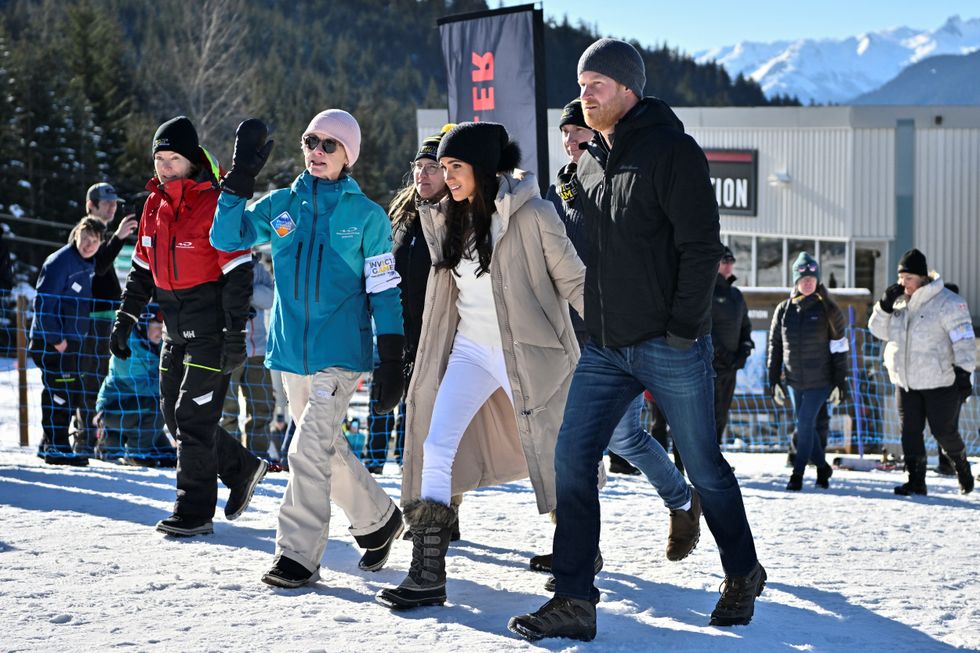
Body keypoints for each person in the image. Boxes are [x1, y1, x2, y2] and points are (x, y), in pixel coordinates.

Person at [509, 39, 764, 642]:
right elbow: (591, 244)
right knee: (572, 457)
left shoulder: (673, 152)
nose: (584, 92)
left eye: (596, 82)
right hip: (605, 345)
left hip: (668, 343)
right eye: (580, 81)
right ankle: (574, 597)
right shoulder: (590, 161)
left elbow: (702, 247)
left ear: (628, 89)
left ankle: (741, 572)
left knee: (702, 464)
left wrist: (681, 330)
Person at [376, 121, 589, 611]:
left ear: (484, 168)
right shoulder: (446, 218)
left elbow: (576, 283)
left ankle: (578, 551)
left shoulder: (534, 215)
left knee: (556, 453)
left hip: (529, 355)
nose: (446, 176)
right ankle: (428, 571)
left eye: (456, 167)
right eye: (442, 167)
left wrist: (618, 339)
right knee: (435, 443)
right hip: (470, 349)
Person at [210, 110, 405, 588]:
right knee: (322, 449)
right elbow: (225, 236)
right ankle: (379, 520)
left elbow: (383, 289)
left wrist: (392, 357)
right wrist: (237, 181)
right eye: (310, 141)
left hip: (340, 354)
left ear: (347, 157)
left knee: (305, 450)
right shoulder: (281, 206)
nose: (317, 151)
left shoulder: (366, 217)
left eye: (329, 145)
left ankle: (297, 555)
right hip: (290, 356)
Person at [536, 97, 698, 573]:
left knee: (621, 439)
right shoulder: (556, 192)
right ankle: (579, 545)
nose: (570, 142)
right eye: (565, 135)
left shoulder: (619, 184)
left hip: (616, 335)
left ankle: (683, 500)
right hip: (567, 334)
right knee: (570, 443)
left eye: (579, 134)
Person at [110, 116, 267, 537]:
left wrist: (235, 333)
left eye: (173, 158)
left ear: (192, 160)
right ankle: (241, 467)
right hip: (174, 328)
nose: (164, 166)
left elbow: (238, 272)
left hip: (212, 329)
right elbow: (142, 268)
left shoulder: (214, 204)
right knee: (173, 417)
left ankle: (194, 510)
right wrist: (125, 318)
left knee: (193, 419)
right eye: (159, 158)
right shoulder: (153, 205)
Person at [364, 125, 453, 474]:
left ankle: (410, 466)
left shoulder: (455, 218)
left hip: (435, 335)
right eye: (418, 166)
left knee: (419, 415)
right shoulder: (401, 216)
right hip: (394, 330)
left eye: (431, 167)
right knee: (383, 399)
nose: (422, 174)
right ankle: (373, 461)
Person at [868, 248, 975, 495]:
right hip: (905, 381)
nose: (903, 284)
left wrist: (964, 372)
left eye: (909, 278)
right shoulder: (897, 303)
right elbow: (878, 331)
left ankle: (961, 466)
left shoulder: (948, 302)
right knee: (909, 433)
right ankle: (916, 479)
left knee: (943, 431)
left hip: (940, 380)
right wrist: (883, 306)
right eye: (901, 278)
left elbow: (964, 339)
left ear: (923, 278)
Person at [767, 252, 848, 491]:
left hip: (820, 381)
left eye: (812, 278)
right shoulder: (784, 309)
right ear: (796, 281)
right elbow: (775, 346)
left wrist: (839, 383)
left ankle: (797, 474)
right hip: (794, 381)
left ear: (818, 280)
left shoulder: (829, 310)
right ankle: (823, 467)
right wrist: (774, 380)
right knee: (807, 427)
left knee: (803, 424)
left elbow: (840, 349)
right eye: (803, 279)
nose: (808, 283)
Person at [28, 217, 104, 465]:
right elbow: (44, 303)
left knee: (68, 392)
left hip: (72, 341)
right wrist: (56, 338)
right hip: (54, 342)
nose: (89, 244)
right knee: (60, 394)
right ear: (76, 234)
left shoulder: (87, 263)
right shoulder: (60, 262)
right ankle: (57, 449)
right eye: (86, 238)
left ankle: (49, 443)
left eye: (95, 241)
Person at [79, 182, 139, 456]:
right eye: (107, 203)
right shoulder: (86, 233)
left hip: (107, 316)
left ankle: (100, 438)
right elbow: (98, 268)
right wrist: (118, 238)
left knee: (106, 378)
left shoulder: (104, 235)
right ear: (90, 205)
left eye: (115, 203)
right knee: (92, 379)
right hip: (92, 318)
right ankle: (86, 438)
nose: (113, 208)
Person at [95, 307, 177, 466]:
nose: (161, 332)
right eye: (157, 327)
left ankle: (134, 445)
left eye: (163, 328)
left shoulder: (157, 345)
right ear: (143, 325)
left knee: (167, 455)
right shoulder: (125, 348)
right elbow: (143, 388)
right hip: (113, 409)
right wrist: (172, 383)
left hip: (140, 409)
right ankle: (134, 453)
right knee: (159, 406)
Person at [220, 253, 279, 464]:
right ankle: (230, 458)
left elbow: (271, 298)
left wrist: (246, 290)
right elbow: (224, 294)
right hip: (228, 346)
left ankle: (257, 457)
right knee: (228, 408)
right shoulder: (220, 259)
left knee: (263, 406)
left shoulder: (259, 267)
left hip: (259, 348)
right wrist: (247, 291)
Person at [712, 246, 754, 444]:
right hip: (710, 365)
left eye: (731, 261)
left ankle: (715, 456)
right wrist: (723, 354)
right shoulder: (707, 291)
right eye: (724, 261)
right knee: (706, 414)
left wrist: (744, 350)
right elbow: (705, 328)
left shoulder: (736, 295)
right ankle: (702, 460)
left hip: (731, 367)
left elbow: (745, 325)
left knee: (722, 412)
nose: (728, 265)